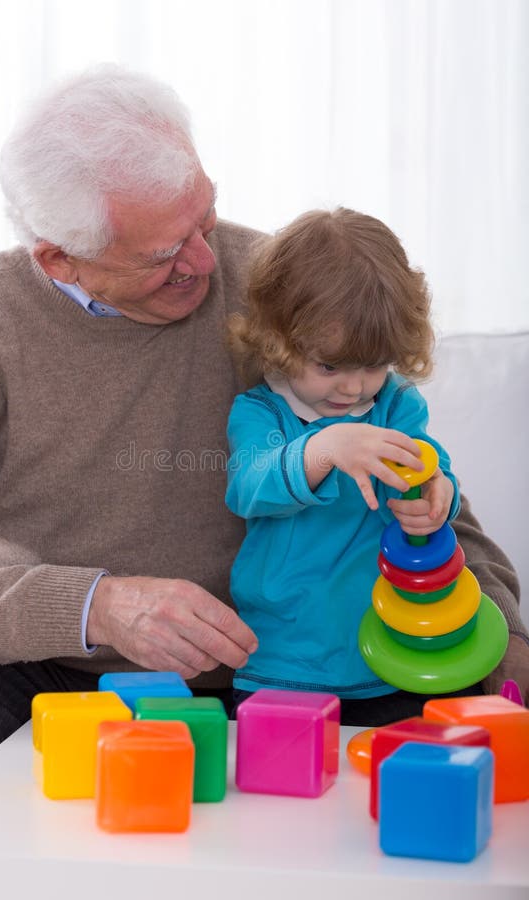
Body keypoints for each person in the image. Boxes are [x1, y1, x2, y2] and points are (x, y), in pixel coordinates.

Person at [0, 65, 526, 800]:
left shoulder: (274, 283)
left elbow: (425, 490)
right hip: (65, 677)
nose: (209, 265)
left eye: (204, 222)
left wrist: (493, 632)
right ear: (58, 256)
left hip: (283, 669)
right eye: (163, 255)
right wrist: (100, 607)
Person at [225, 208, 527, 720]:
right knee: (280, 793)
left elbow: (431, 468)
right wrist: (325, 448)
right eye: (329, 365)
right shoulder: (260, 410)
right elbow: (249, 485)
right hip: (289, 660)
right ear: (279, 341)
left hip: (398, 652)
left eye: (373, 364)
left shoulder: (396, 404)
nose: (353, 386)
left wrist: (436, 494)